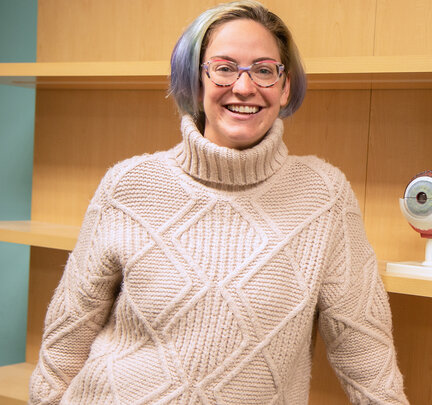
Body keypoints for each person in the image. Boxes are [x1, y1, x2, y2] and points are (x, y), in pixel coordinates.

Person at [28, 1, 409, 404]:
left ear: (285, 87)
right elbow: (67, 335)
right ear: (196, 80)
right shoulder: (128, 185)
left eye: (264, 70)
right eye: (224, 68)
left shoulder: (324, 196)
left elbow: (365, 349)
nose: (244, 88)